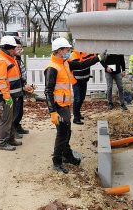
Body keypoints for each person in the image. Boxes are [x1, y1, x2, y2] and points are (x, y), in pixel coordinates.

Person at [44, 37, 107, 173]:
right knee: (62, 133)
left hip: (65, 105)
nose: (69, 51)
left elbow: (81, 65)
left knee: (67, 131)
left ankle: (67, 155)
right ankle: (57, 162)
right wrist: (52, 112)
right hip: (58, 106)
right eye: (67, 49)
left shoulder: (64, 63)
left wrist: (98, 58)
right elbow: (48, 91)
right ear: (60, 51)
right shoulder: (52, 68)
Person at [0, 36, 24, 151]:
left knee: (10, 119)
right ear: (6, 48)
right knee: (5, 120)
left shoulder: (11, 59)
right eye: (12, 48)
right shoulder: (2, 61)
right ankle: (3, 143)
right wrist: (6, 97)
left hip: (11, 95)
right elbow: (1, 81)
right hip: (4, 97)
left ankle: (10, 139)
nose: (14, 50)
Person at [68, 48, 96, 125]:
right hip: (76, 81)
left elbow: (94, 58)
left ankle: (78, 114)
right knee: (77, 98)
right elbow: (69, 70)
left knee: (82, 98)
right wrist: (73, 80)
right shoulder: (72, 56)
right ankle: (76, 118)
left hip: (84, 80)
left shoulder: (87, 53)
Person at [13, 45, 33, 135]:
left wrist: (25, 84)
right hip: (15, 89)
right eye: (18, 48)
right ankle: (13, 130)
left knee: (20, 110)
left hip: (21, 87)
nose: (20, 50)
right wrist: (23, 85)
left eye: (21, 48)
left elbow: (21, 74)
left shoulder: (19, 59)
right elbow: (16, 76)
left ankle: (17, 126)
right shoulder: (13, 60)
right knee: (16, 111)